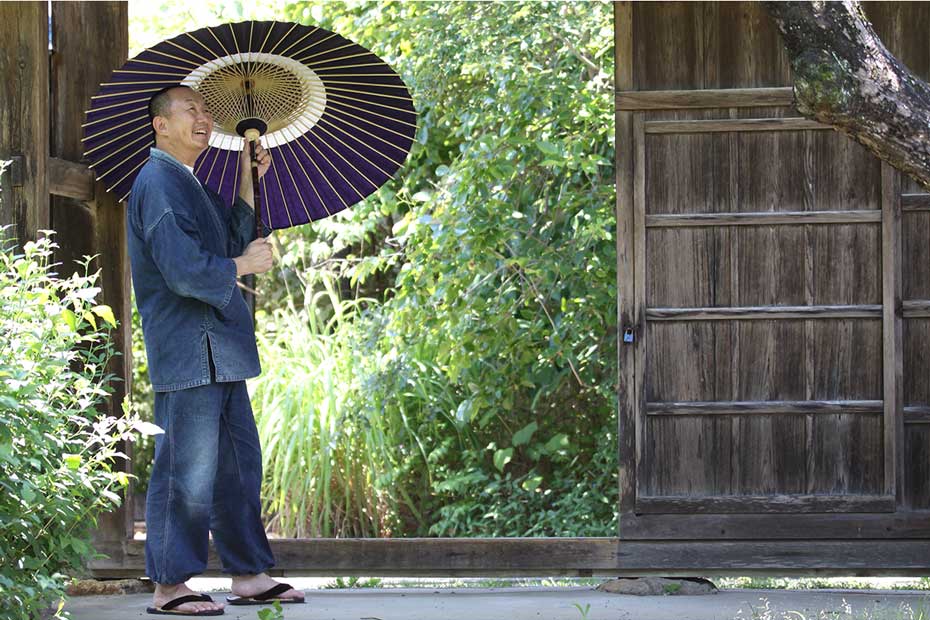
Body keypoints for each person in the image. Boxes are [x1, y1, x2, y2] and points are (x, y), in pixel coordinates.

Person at [127, 84, 305, 616]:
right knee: (185, 470)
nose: (205, 118)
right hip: (187, 347)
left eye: (207, 110)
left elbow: (231, 239)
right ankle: (168, 585)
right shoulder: (157, 182)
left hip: (219, 348)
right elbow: (185, 271)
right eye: (191, 110)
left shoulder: (192, 184)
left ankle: (248, 573)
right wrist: (244, 267)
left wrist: (252, 173)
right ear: (161, 124)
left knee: (237, 466)